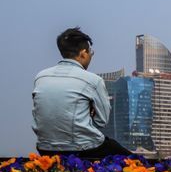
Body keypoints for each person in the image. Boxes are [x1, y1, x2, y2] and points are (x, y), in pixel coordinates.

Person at [32, 27, 133, 159]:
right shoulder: (93, 81)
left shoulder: (41, 77)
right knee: (134, 162)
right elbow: (102, 121)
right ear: (83, 53)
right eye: (91, 52)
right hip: (82, 149)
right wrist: (86, 119)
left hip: (45, 148)